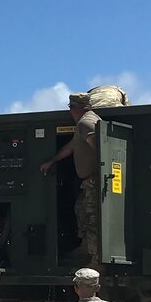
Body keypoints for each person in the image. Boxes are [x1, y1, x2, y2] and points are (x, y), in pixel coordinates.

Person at [40, 92, 100, 265]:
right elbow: (71, 147)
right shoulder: (83, 123)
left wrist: (100, 168)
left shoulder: (86, 123)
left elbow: (97, 143)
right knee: (81, 210)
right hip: (87, 182)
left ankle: (96, 260)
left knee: (92, 220)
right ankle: (85, 249)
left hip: (94, 180)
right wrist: (52, 161)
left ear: (74, 108)